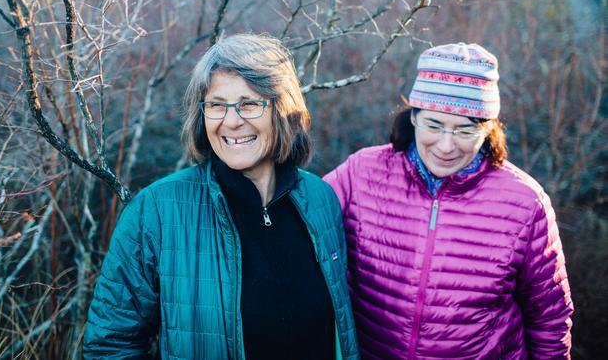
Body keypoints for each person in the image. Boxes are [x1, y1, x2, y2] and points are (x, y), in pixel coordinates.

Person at [84, 34, 359, 359]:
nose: (231, 121)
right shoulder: (157, 211)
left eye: (249, 103)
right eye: (216, 105)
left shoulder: (320, 200)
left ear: (283, 110)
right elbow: (109, 346)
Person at [324, 43, 573, 359]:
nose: (445, 146)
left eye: (465, 131)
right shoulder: (361, 173)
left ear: (488, 128)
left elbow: (549, 318)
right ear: (413, 117)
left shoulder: (525, 203)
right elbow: (300, 230)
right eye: (434, 125)